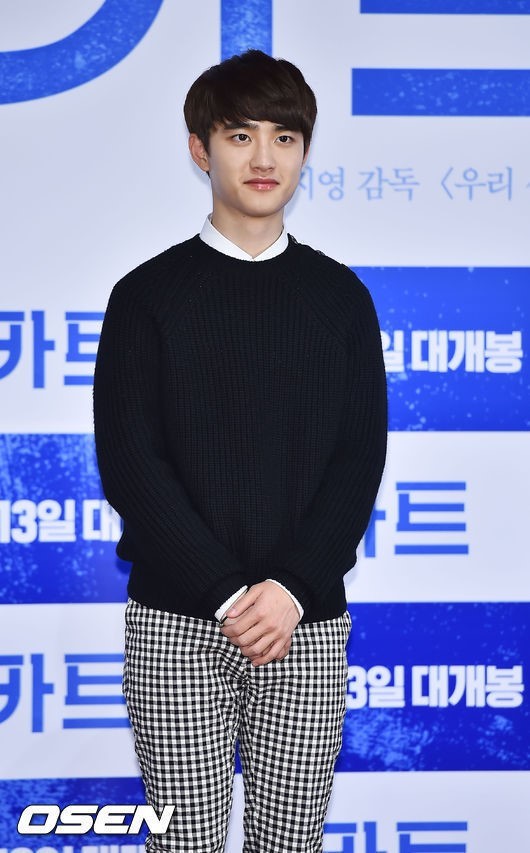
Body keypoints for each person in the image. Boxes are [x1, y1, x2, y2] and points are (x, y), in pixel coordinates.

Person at [93, 49, 387, 853]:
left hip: (305, 623)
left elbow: (357, 461)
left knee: (290, 843)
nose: (264, 157)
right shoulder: (146, 296)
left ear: (304, 152)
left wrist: (287, 588)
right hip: (176, 622)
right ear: (201, 149)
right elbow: (132, 464)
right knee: (182, 843)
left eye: (285, 138)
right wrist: (227, 594)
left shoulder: (340, 298)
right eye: (240, 135)